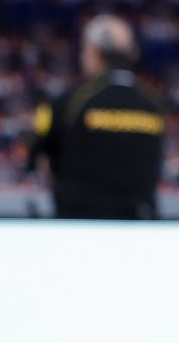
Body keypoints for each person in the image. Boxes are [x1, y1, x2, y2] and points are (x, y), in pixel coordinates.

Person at [30, 14, 165, 219]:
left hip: (78, 221)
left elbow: (37, 156)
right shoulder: (154, 102)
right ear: (133, 53)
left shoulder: (68, 100)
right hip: (138, 223)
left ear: (93, 52)